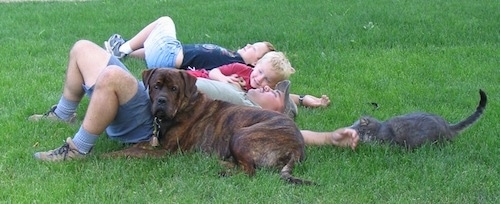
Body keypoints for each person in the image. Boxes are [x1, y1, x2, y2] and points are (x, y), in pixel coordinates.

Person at [29, 40, 358, 162]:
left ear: (269, 109)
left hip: (152, 117)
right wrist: (305, 97)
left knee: (113, 77)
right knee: (82, 48)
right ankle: (64, 114)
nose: (262, 83)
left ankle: (76, 149)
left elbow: (287, 130)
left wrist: (330, 137)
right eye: (259, 75)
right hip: (156, 86)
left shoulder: (246, 108)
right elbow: (283, 94)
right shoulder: (239, 78)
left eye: (272, 90)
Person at [104, 16, 330, 108]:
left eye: (265, 79)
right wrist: (224, 78)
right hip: (186, 73)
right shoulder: (239, 68)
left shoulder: (255, 90)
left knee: (143, 90)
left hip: (184, 80)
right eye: (259, 70)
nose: (258, 77)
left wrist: (306, 100)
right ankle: (120, 59)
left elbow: (282, 96)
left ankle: (119, 56)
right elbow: (214, 74)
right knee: (141, 87)